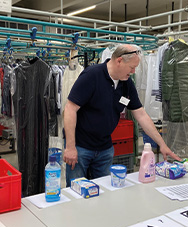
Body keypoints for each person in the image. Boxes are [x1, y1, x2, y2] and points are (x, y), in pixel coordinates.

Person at [63, 44, 181, 186]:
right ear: (119, 61)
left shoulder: (126, 83)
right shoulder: (92, 75)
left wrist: (162, 145)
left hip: (105, 148)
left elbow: (141, 114)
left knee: (105, 192)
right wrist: (70, 147)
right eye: (131, 67)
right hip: (80, 147)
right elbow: (70, 108)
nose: (133, 71)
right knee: (76, 191)